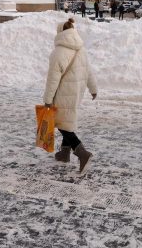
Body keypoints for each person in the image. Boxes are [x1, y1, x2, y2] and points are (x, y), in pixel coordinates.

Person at [44, 18, 98, 174]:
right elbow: (89, 71)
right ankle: (64, 153)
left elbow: (52, 80)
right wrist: (93, 89)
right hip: (77, 92)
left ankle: (82, 153)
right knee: (65, 121)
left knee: (62, 124)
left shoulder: (58, 52)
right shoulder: (81, 49)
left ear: (60, 33)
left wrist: (48, 100)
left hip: (62, 92)